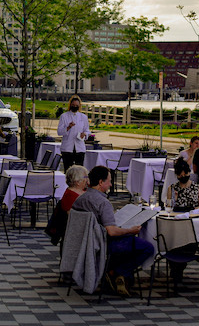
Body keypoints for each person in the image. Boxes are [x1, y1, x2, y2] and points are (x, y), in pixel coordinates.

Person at [72, 165, 155, 296]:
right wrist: (130, 231)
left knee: (129, 243)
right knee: (147, 247)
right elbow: (111, 231)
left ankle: (114, 272)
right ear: (100, 182)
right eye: (109, 181)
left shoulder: (80, 199)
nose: (111, 184)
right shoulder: (103, 202)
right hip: (102, 243)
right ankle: (117, 271)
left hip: (84, 242)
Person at [44, 165, 89, 245]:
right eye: (86, 177)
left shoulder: (82, 191)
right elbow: (74, 217)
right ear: (78, 181)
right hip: (75, 230)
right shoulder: (70, 196)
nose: (87, 179)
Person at [57, 95, 91, 170]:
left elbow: (87, 130)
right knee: (68, 169)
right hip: (67, 148)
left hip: (79, 148)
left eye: (76, 105)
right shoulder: (64, 116)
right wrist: (68, 127)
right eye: (73, 105)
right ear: (70, 105)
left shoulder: (83, 117)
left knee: (79, 170)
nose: (75, 107)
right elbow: (59, 132)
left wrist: (85, 134)